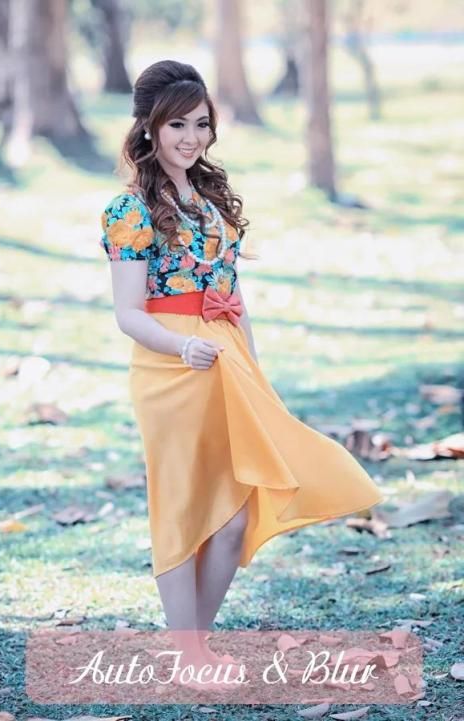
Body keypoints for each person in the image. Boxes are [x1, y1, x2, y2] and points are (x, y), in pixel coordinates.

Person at [99, 59, 384, 686]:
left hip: (228, 359)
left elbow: (233, 296)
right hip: (170, 369)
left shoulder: (212, 202)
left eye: (201, 123)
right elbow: (127, 313)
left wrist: (252, 368)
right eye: (177, 124)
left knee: (232, 517)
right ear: (148, 127)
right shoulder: (129, 209)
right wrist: (182, 348)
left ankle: (193, 649)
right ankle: (188, 657)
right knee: (181, 506)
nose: (191, 137)